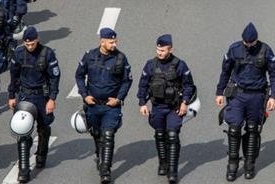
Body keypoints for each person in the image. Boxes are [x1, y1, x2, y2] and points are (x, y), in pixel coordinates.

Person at [215, 22, 275, 182]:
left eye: (251, 42)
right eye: (246, 42)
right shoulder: (234, 49)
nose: (248, 45)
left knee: (252, 129)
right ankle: (232, 164)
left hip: (257, 96)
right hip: (238, 94)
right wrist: (219, 92)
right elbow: (225, 71)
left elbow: (274, 74)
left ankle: (250, 164)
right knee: (234, 129)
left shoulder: (266, 51)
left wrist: (273, 96)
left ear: (256, 40)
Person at [75, 27, 133, 184]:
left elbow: (127, 81)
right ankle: (100, 155)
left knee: (108, 135)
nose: (114, 44)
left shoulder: (121, 58)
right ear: (102, 41)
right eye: (111, 42)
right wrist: (84, 95)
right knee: (97, 135)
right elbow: (79, 75)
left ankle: (105, 171)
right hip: (93, 106)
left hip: (111, 106)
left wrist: (119, 99)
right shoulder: (89, 56)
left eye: (115, 41)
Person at [137, 34, 196, 184]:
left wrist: (185, 102)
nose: (159, 53)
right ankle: (163, 162)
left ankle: (173, 171)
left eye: (162, 50)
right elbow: (143, 84)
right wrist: (142, 103)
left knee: (172, 135)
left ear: (170, 49)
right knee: (160, 134)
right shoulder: (150, 65)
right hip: (157, 107)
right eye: (158, 50)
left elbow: (189, 85)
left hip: (173, 108)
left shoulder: (180, 65)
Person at [7, 27, 60, 183]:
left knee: (43, 128)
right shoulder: (18, 53)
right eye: (27, 44)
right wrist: (11, 95)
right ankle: (24, 169)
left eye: (32, 43)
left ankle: (41, 155)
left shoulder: (48, 54)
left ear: (37, 39)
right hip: (24, 95)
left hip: (42, 97)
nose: (30, 47)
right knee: (23, 131)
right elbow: (13, 76)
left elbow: (54, 78)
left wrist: (52, 98)